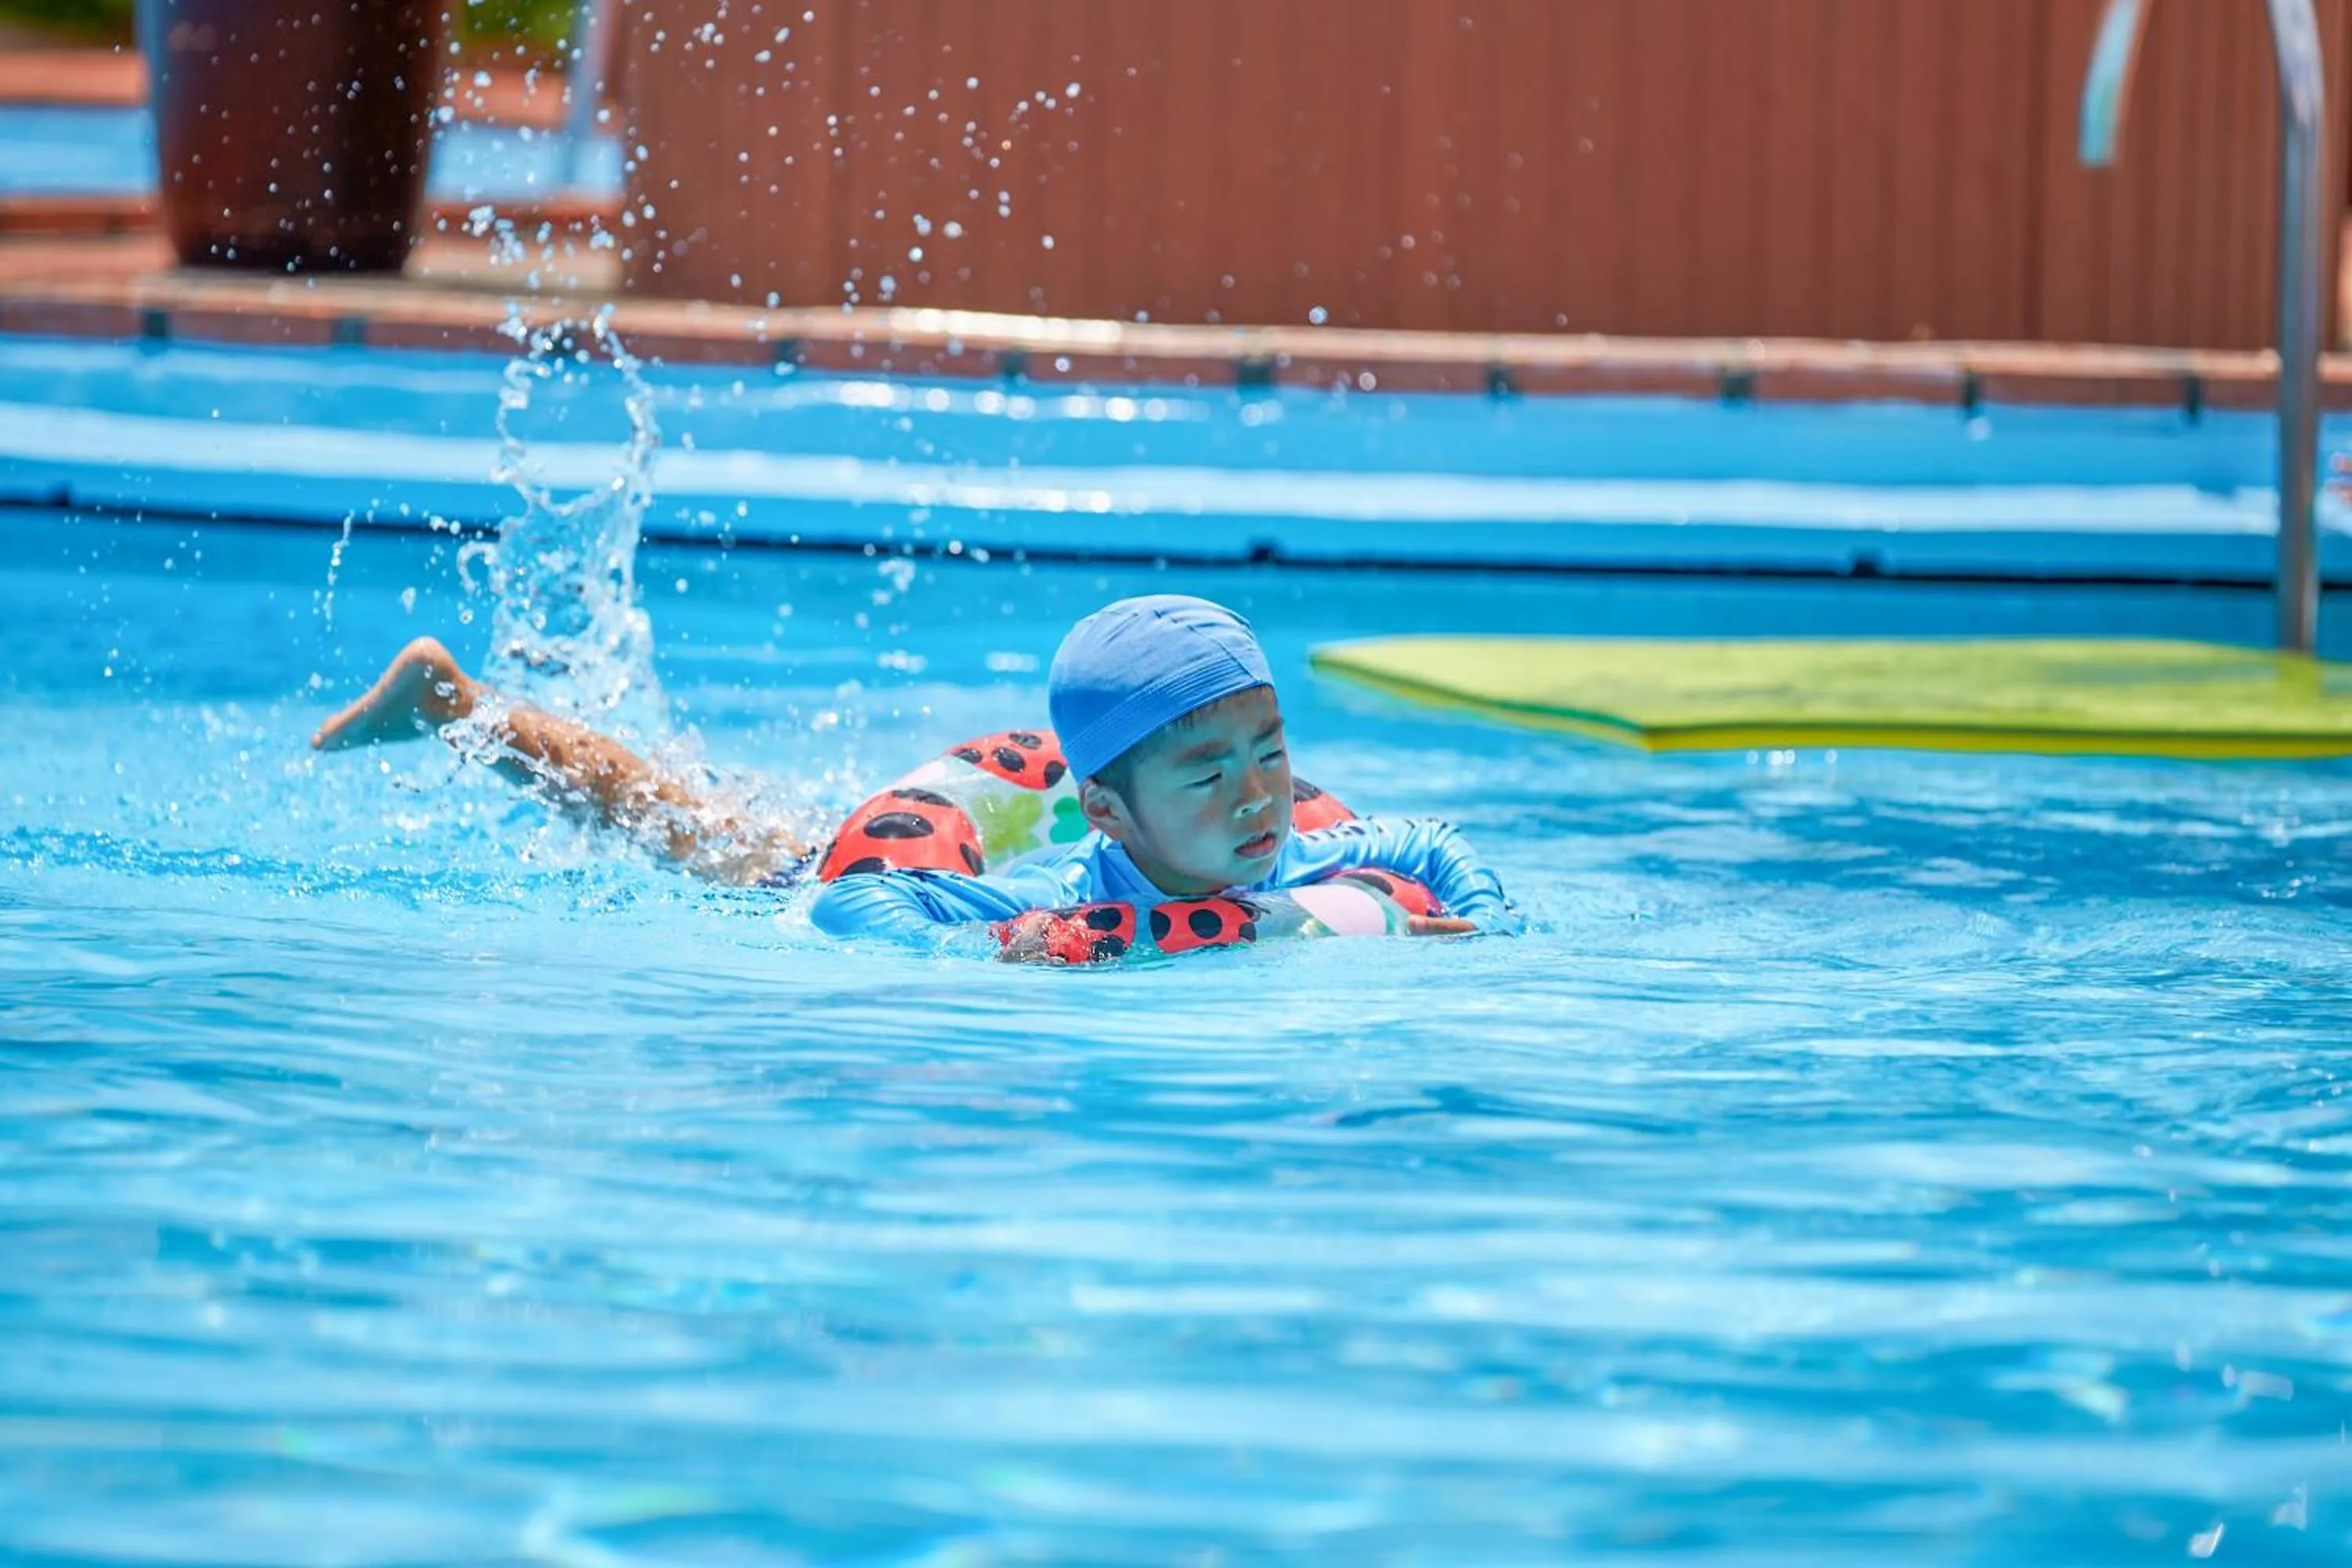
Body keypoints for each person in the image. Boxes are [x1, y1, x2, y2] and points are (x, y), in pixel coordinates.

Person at [312, 595, 1518, 956]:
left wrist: (1494, 928)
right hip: (858, 855)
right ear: (1107, 809)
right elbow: (858, 904)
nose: (1258, 800)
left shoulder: (1296, 852)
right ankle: (462, 708)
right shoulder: (1060, 887)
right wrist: (1009, 948)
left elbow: (1429, 847)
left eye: (1272, 755)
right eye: (1210, 777)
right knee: (693, 833)